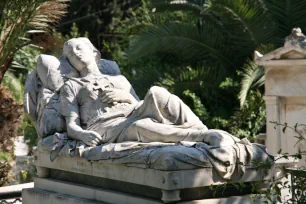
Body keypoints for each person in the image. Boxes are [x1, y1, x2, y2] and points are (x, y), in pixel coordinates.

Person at [60, 38, 239, 147]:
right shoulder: (72, 86)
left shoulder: (119, 79)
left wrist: (126, 96)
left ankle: (203, 129)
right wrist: (83, 134)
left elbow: (140, 105)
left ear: (94, 52)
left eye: (78, 48)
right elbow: (72, 125)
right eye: (69, 54)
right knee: (139, 126)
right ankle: (202, 137)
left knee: (156, 92)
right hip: (107, 127)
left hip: (132, 114)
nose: (75, 54)